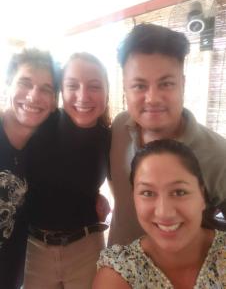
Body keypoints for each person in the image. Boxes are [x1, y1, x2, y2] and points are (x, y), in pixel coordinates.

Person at [108, 23, 226, 246]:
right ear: (125, 89)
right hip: (118, 274)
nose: (152, 98)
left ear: (182, 84)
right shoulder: (120, 127)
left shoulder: (217, 155)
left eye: (166, 84)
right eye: (139, 86)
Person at [24, 52, 111, 289]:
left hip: (87, 244)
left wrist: (97, 196)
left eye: (94, 86)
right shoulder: (39, 125)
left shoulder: (109, 138)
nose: (83, 96)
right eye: (72, 85)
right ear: (61, 90)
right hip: (35, 247)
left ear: (107, 91)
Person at [93, 139, 226, 289]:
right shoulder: (118, 272)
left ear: (202, 196)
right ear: (134, 199)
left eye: (179, 192)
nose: (164, 213)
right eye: (148, 193)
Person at [0, 48, 57, 289]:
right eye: (25, 83)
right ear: (7, 87)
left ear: (55, 102)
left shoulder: (45, 152)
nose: (34, 96)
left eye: (46, 89)